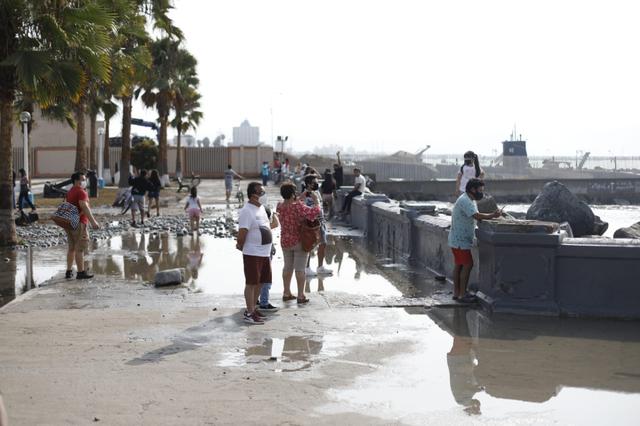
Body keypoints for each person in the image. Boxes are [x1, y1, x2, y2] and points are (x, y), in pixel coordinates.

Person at [448, 178, 501, 303]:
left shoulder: (469, 199)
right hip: (460, 240)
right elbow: (476, 216)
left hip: (458, 239)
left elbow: (476, 216)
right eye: (480, 190)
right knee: (467, 265)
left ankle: (457, 293)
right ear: (473, 189)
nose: (482, 193)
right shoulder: (465, 200)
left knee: (459, 266)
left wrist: (488, 216)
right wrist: (493, 215)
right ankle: (462, 295)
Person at [236, 182, 277, 324]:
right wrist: (241, 245)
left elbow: (267, 226)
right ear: (253, 195)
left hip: (264, 253)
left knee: (262, 282)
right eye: (262, 193)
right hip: (252, 252)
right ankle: (249, 312)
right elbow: (242, 234)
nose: (264, 195)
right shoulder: (247, 211)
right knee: (251, 283)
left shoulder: (260, 209)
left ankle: (253, 308)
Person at [276, 182, 321, 304]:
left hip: (285, 240)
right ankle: (301, 295)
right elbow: (314, 213)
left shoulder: (279, 206)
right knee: (300, 269)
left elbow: (292, 205)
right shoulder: (298, 206)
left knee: (287, 267)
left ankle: (286, 292)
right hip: (299, 240)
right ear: (292, 194)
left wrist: (300, 197)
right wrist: (316, 201)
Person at [65, 171, 100, 279]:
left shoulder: (70, 191)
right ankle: (81, 273)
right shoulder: (81, 192)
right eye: (83, 179)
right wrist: (93, 221)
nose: (85, 181)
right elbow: (84, 207)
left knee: (71, 248)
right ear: (77, 181)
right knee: (80, 248)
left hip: (70, 223)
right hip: (80, 223)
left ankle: (69, 271)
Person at [303, 174, 333, 276]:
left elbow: (319, 206)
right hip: (312, 224)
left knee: (323, 244)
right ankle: (306, 268)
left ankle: (320, 267)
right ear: (308, 184)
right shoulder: (305, 195)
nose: (317, 184)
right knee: (309, 246)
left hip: (321, 222)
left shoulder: (317, 193)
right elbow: (305, 210)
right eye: (315, 182)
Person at [257, 199, 280, 312]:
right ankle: (264, 302)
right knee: (266, 278)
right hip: (265, 254)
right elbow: (276, 223)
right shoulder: (265, 225)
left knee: (256, 277)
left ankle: (256, 299)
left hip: (256, 254)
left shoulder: (256, 225)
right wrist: (275, 214)